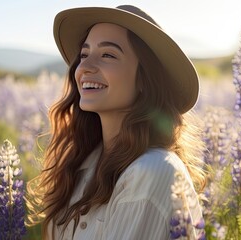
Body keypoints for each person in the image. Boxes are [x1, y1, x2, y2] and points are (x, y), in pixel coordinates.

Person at [26, 5, 206, 239]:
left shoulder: (153, 169)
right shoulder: (84, 164)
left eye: (108, 55)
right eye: (83, 55)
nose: (85, 68)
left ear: (144, 79)